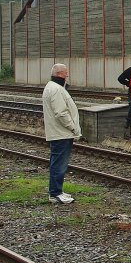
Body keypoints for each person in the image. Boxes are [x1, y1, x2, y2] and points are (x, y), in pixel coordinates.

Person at [42, 63, 80, 204]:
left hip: (59, 132)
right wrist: (73, 127)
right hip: (61, 133)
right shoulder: (56, 89)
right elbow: (61, 112)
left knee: (57, 162)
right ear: (59, 74)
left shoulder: (52, 87)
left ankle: (57, 191)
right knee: (59, 163)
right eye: (65, 73)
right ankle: (55, 193)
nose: (67, 76)